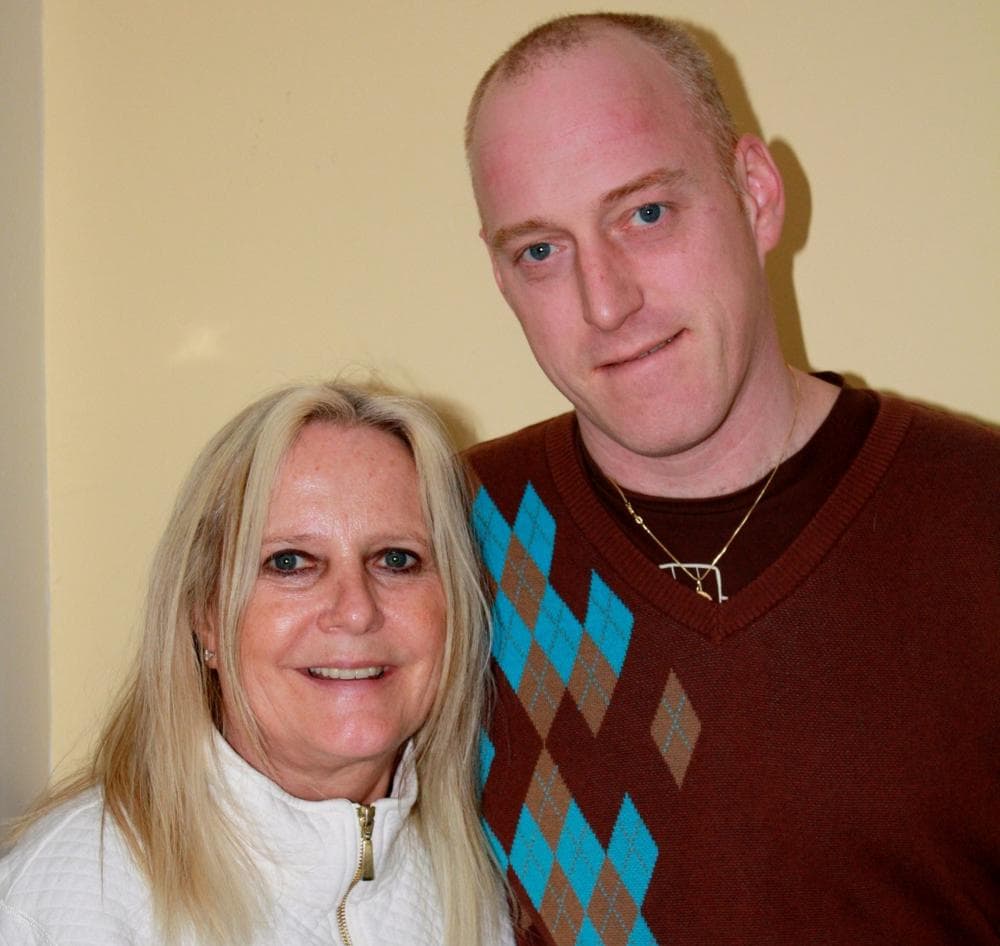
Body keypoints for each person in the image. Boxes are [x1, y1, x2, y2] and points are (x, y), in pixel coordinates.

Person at [462, 12, 999, 946]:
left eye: (647, 213)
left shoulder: (981, 520)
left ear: (755, 194)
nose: (607, 302)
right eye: (541, 251)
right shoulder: (432, 549)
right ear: (503, 281)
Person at [0, 382, 513, 946]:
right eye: (290, 562)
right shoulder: (70, 903)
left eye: (397, 559)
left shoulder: (482, 884)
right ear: (206, 615)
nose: (356, 611)